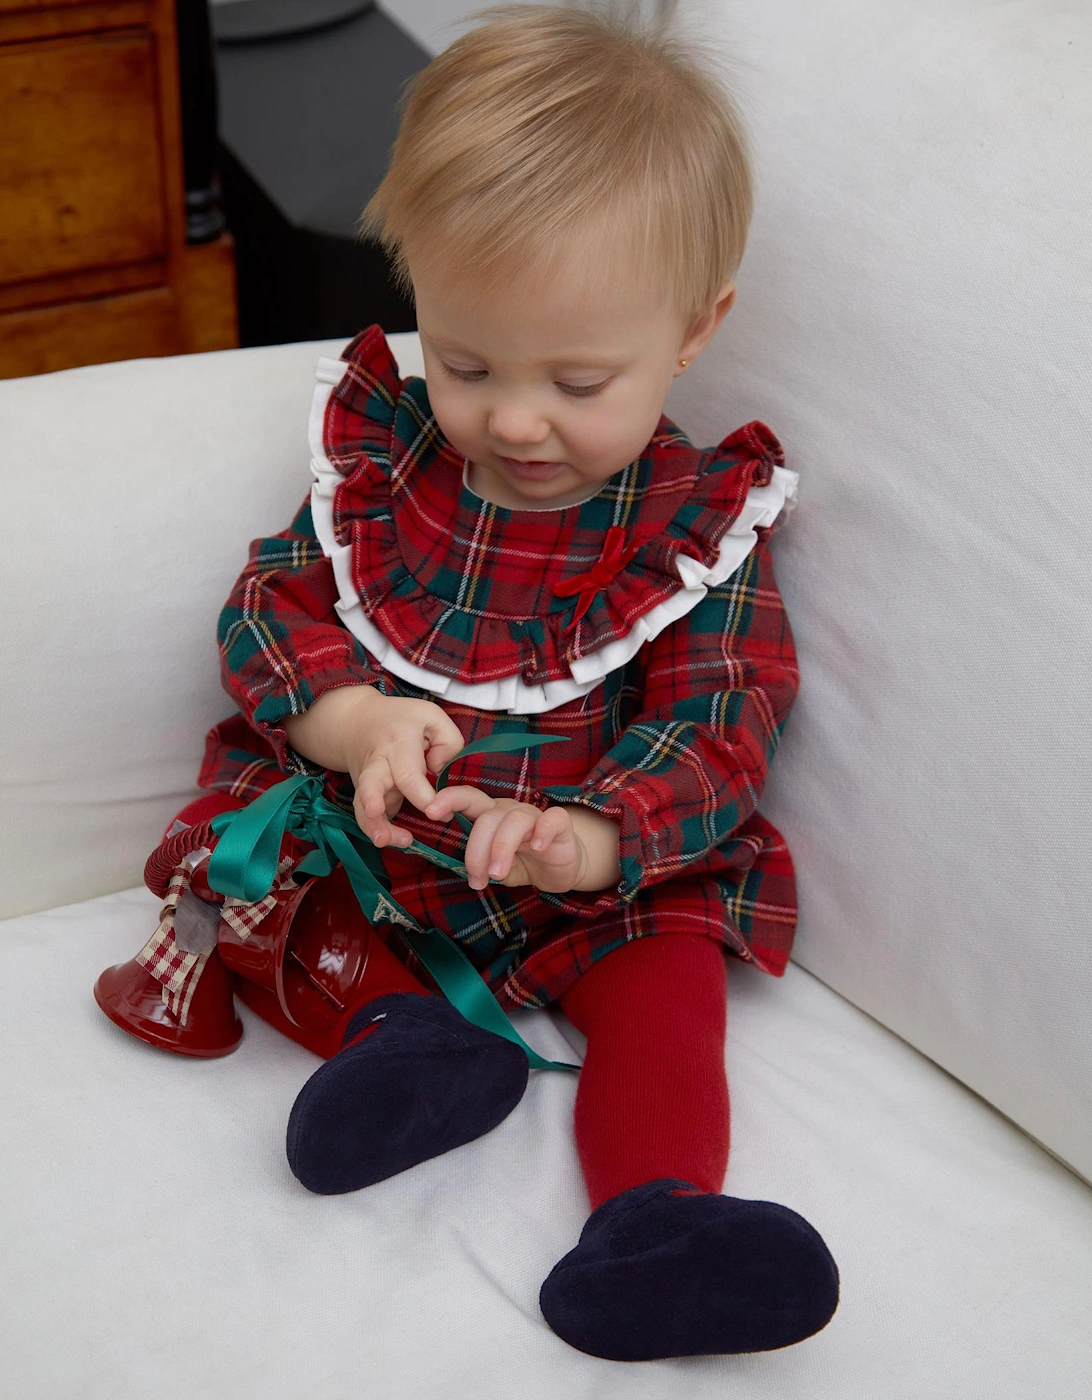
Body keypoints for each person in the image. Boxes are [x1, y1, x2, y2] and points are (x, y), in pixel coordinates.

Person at [100, 3, 839, 1362]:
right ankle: (405, 1037)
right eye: (467, 360)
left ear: (694, 328)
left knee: (668, 976)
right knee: (260, 873)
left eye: (578, 378)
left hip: (584, 875)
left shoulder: (695, 523)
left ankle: (655, 1217)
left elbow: (723, 722)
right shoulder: (387, 473)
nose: (512, 419)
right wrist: (357, 721)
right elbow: (270, 611)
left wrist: (594, 837)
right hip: (393, 856)